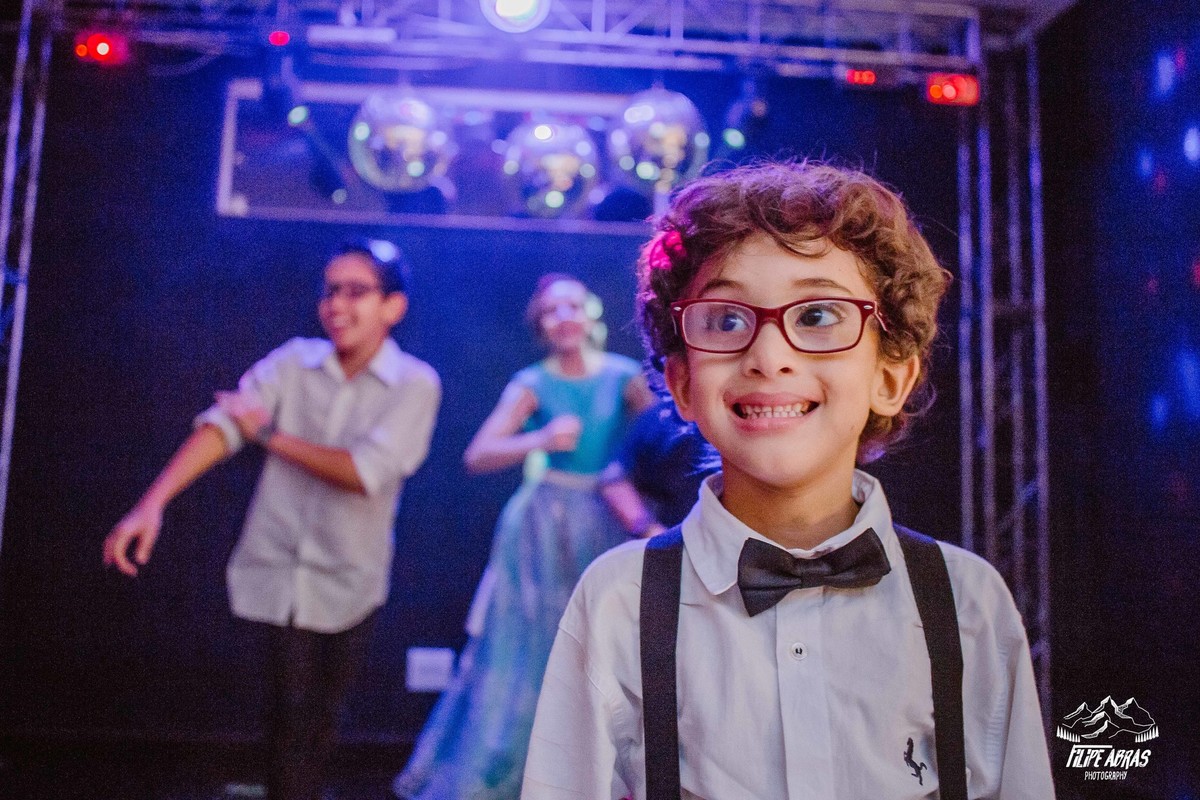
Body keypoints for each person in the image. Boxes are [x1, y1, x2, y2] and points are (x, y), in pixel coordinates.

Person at [522, 162, 1055, 799]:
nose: (769, 356)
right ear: (684, 383)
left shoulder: (967, 602)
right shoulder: (619, 602)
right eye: (724, 319)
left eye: (819, 315)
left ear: (891, 377)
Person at [103, 239, 441, 800]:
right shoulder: (293, 359)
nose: (336, 304)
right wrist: (152, 502)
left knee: (317, 723)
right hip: (274, 566)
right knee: (285, 719)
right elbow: (225, 425)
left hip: (349, 577)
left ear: (393, 307)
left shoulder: (415, 382)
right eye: (330, 290)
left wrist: (270, 435)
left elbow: (363, 471)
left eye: (356, 291)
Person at [393, 274, 654, 800]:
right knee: (528, 644)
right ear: (541, 323)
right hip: (539, 525)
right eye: (553, 310)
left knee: (603, 641)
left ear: (590, 316)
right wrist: (539, 438)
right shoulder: (533, 382)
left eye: (573, 307)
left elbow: (659, 441)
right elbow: (478, 454)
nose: (564, 318)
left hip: (603, 519)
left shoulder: (625, 377)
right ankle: (509, 773)